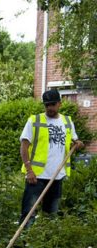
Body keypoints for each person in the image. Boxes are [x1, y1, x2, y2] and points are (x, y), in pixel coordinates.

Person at [19, 89, 84, 228]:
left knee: (51, 215)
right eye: (46, 105)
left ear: (59, 103)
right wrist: (29, 170)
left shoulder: (67, 121)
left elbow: (75, 141)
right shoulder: (34, 121)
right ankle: (21, 246)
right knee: (28, 213)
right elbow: (24, 146)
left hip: (57, 176)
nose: (49, 108)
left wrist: (78, 143)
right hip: (36, 176)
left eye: (52, 104)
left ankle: (45, 246)